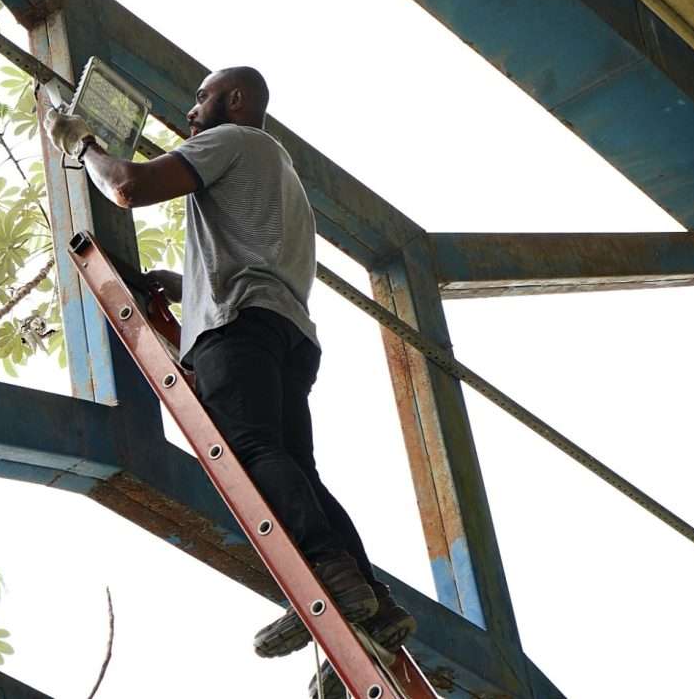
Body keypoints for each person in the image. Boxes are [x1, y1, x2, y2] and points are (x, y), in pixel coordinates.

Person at [44, 67, 417, 688]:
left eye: (203, 98)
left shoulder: (232, 140)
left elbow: (128, 187)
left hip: (238, 330)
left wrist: (80, 145)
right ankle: (372, 600)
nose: (192, 112)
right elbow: (254, 259)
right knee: (296, 467)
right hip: (285, 332)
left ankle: (329, 575)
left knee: (250, 451)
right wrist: (189, 289)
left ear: (237, 100)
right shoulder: (282, 175)